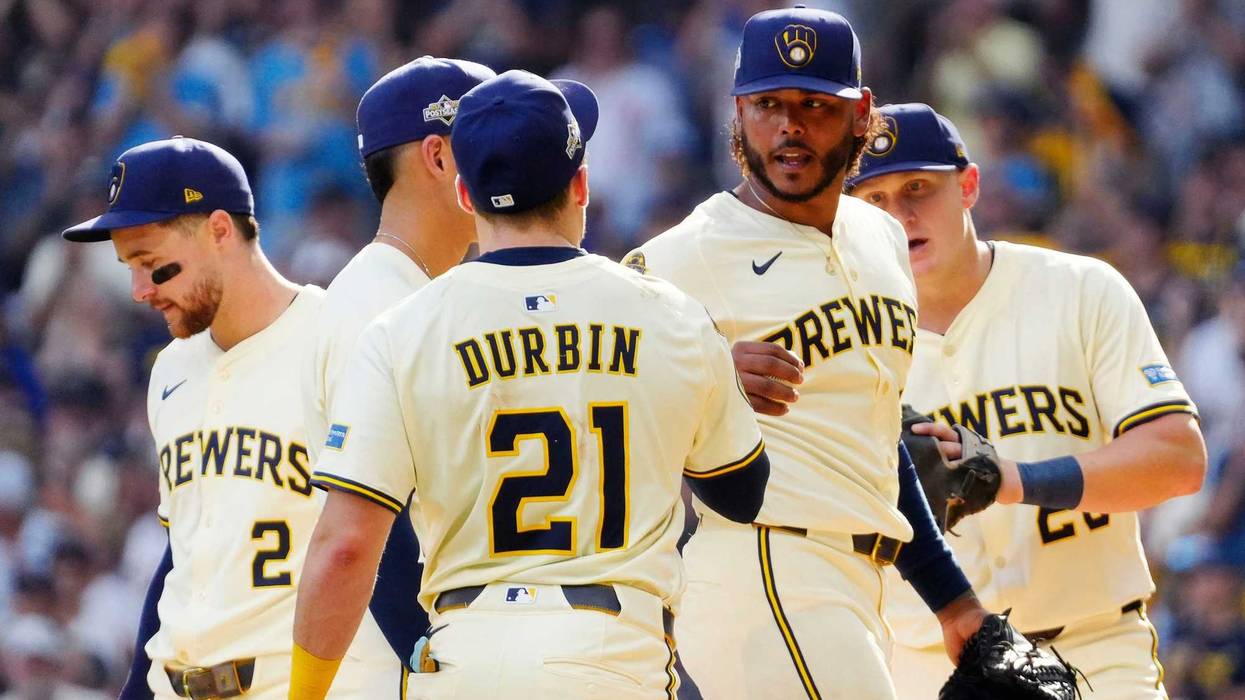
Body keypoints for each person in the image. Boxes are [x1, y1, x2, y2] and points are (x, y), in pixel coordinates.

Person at [288, 69, 770, 700]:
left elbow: (346, 547)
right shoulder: (671, 315)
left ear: (465, 192)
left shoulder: (405, 328)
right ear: (583, 185)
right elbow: (742, 491)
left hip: (466, 654)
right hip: (615, 653)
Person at [625, 8, 990, 700]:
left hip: (860, 585)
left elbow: (874, 444)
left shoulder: (881, 239)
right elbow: (581, 398)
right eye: (768, 105)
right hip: (761, 570)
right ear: (738, 111)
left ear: (861, 115)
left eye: (815, 106)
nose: (789, 126)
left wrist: (951, 598)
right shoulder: (684, 254)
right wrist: (695, 377)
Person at [846, 102, 1207, 698]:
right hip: (925, 669)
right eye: (874, 200)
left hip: (1094, 649)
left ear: (968, 186)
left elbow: (1178, 458)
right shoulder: (844, 345)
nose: (900, 214)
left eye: (917, 187)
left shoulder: (1081, 290)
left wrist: (1011, 479)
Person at [62, 137, 384, 699]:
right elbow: (180, 557)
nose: (140, 291)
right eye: (128, 268)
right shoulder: (171, 370)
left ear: (218, 229)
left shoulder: (341, 337)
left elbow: (381, 544)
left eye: (153, 265)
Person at [301, 55, 495, 678]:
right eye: (492, 142)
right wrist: (436, 657)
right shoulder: (377, 304)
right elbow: (365, 535)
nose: (512, 159)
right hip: (397, 671)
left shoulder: (419, 291)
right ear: (440, 158)